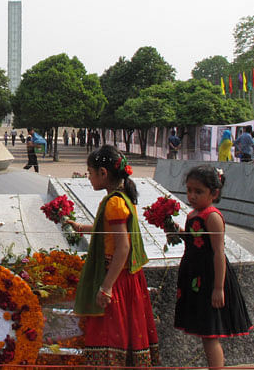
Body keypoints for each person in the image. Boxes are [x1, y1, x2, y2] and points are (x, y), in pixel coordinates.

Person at [65, 145, 160, 368]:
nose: (88, 178)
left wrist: (106, 287)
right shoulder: (123, 197)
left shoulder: (115, 203)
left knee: (110, 338)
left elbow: (123, 247)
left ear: (103, 173)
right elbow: (109, 230)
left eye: (90, 172)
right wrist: (81, 227)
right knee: (124, 337)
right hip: (127, 277)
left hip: (117, 278)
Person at [170, 165, 253, 370]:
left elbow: (218, 252)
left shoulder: (212, 216)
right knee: (205, 332)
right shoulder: (192, 215)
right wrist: (172, 229)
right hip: (194, 274)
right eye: (189, 190)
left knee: (210, 333)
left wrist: (218, 287)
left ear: (214, 193)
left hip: (208, 277)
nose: (192, 196)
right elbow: (192, 240)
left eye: (199, 191)